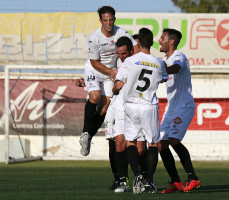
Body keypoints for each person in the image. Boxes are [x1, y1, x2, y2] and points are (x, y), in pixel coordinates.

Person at [75, 36, 147, 193]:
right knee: (114, 141)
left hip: (135, 106)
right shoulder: (118, 60)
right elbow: (105, 76)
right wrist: (86, 82)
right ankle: (119, 180)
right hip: (116, 105)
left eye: (135, 46)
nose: (121, 55)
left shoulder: (141, 62)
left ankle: (144, 179)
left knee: (139, 147)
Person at [113, 27, 168, 194]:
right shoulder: (159, 62)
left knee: (131, 141)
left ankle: (137, 174)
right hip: (149, 105)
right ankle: (149, 181)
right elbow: (163, 78)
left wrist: (116, 89)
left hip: (130, 105)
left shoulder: (129, 61)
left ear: (137, 42)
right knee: (152, 143)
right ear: (151, 42)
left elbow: (118, 86)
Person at [79, 6, 138, 157]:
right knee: (95, 96)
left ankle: (89, 138)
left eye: (111, 20)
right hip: (96, 70)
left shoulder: (121, 32)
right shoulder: (94, 38)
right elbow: (94, 63)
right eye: (105, 20)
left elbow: (135, 49)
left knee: (104, 109)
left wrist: (124, 67)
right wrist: (112, 71)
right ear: (100, 21)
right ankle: (85, 133)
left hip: (111, 73)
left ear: (114, 19)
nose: (108, 23)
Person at [158, 28, 200, 193]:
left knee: (173, 140)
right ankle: (175, 181)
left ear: (171, 41)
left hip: (184, 106)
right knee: (161, 144)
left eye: (162, 38)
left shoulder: (179, 56)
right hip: (171, 108)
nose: (159, 41)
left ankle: (193, 177)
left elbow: (175, 69)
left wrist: (160, 69)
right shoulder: (163, 59)